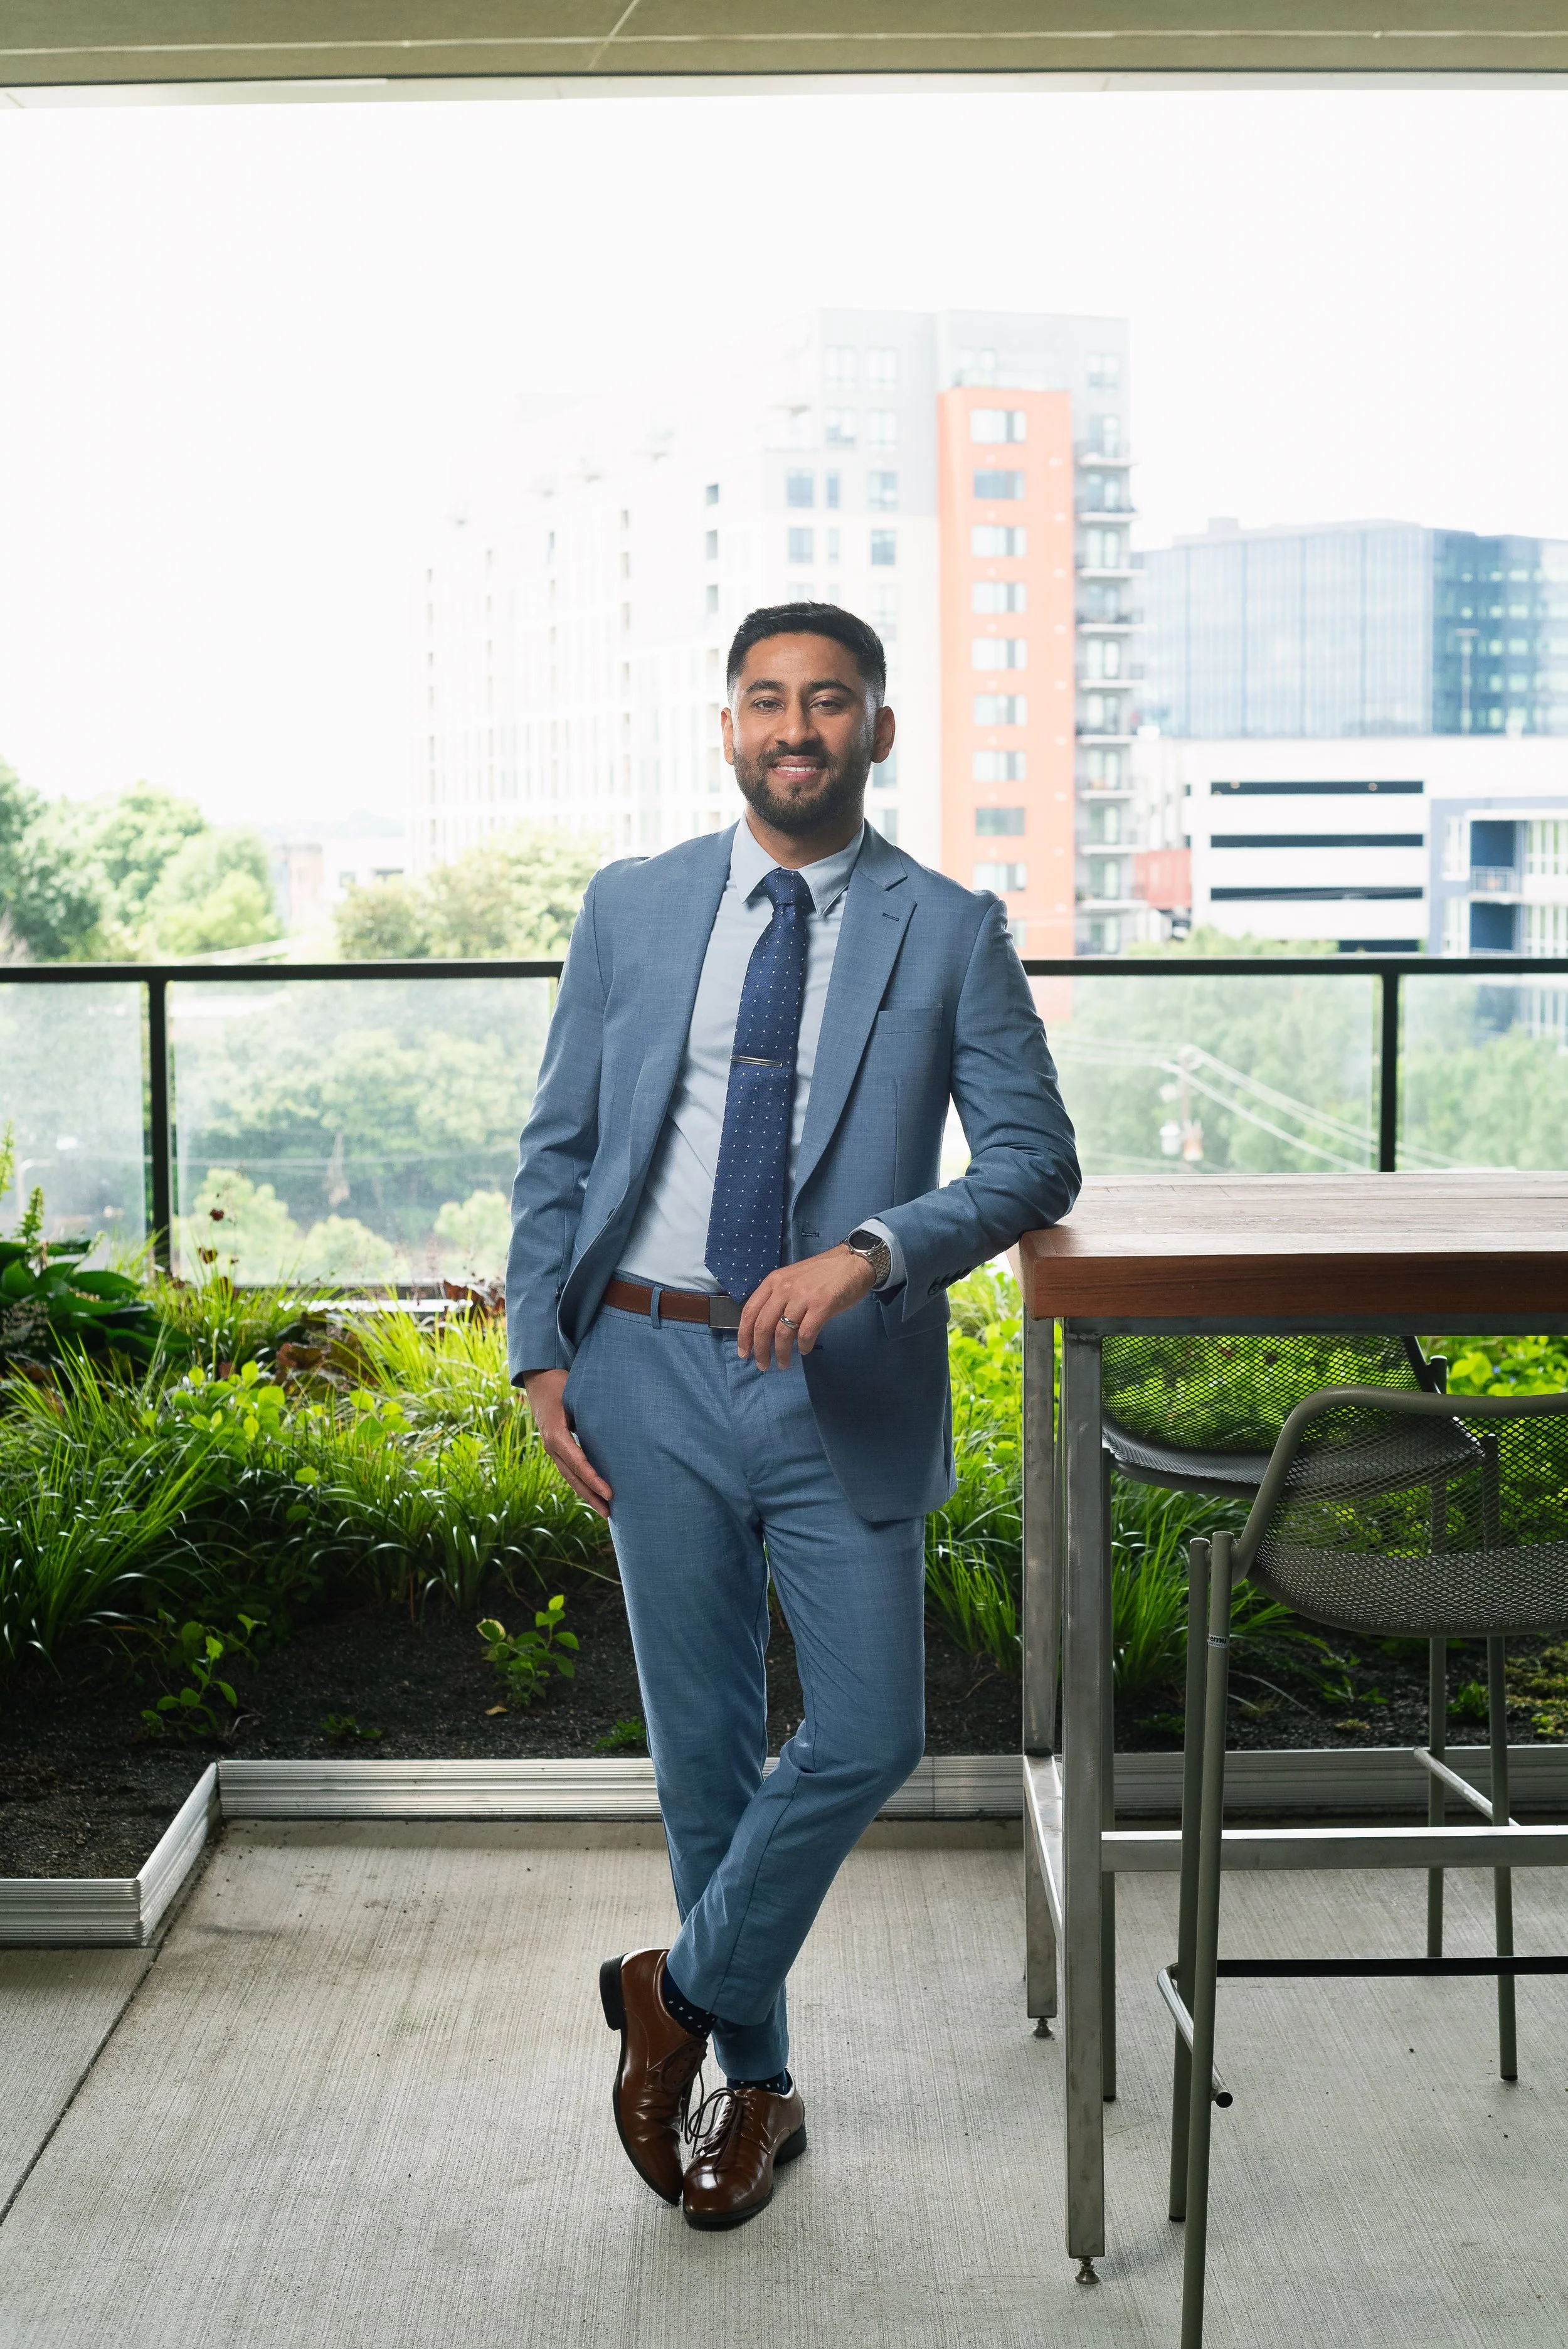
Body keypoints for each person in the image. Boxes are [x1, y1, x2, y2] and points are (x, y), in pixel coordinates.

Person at [507, 600, 1079, 2231]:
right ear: (728, 724)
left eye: (830, 701)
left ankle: (666, 1989)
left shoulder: (948, 929)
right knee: (701, 1759)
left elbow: (1031, 1159)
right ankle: (751, 2093)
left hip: (843, 1379)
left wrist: (872, 1252)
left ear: (878, 730)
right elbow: (558, 1144)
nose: (797, 727)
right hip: (642, 1365)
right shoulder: (629, 909)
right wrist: (538, 1354)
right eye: (767, 700)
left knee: (869, 1731)